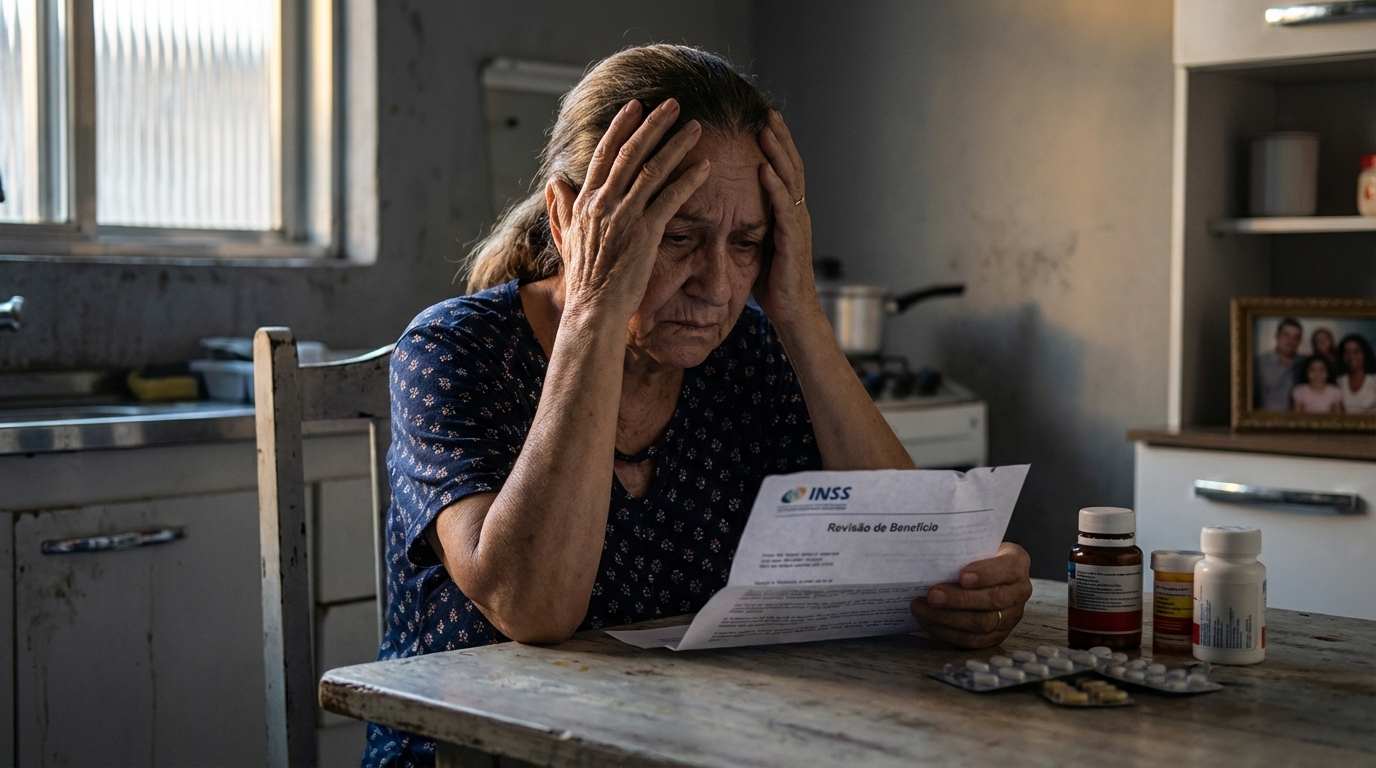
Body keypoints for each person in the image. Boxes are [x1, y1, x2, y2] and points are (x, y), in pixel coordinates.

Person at [367, 45, 1034, 766]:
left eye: (747, 243)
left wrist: (800, 314)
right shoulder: (454, 351)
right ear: (568, 220)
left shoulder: (745, 351)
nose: (716, 284)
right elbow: (534, 606)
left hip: (684, 743)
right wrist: (595, 308)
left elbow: (913, 557)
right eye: (676, 237)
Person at [1254, 318, 1303, 411]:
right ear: (1277, 336)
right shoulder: (1259, 363)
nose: (1291, 341)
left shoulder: (1305, 364)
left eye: (1296, 337)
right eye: (1286, 335)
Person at [1336, 333, 1376, 413]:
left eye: (1356, 352)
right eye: (1346, 352)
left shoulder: (1374, 380)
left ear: (1365, 353)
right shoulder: (1339, 381)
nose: (1351, 356)